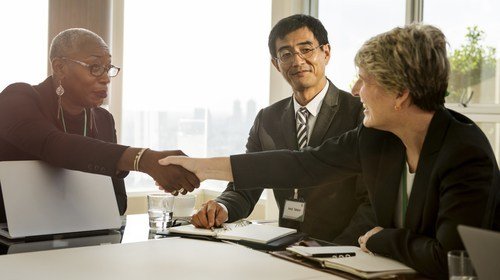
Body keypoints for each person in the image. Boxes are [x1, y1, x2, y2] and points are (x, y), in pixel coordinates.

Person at [160, 24, 500, 279]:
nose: (356, 89)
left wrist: (382, 239)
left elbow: (452, 259)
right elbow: (302, 165)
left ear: (401, 93)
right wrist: (202, 167)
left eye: (365, 80)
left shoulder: (464, 153)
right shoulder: (377, 138)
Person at [191, 14, 375, 243]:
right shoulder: (267, 120)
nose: (297, 61)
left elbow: (371, 200)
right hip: (287, 249)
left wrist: (334, 251)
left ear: (326, 52)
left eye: (306, 49)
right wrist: (221, 206)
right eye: (286, 54)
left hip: (342, 254)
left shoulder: (360, 113)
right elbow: (245, 186)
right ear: (276, 64)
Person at [0, 28, 199, 223]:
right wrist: (142, 159)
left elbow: (118, 202)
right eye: (94, 67)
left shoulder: (104, 119)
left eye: (108, 68)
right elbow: (52, 144)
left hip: (83, 239)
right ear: (60, 67)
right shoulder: (17, 99)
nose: (105, 78)